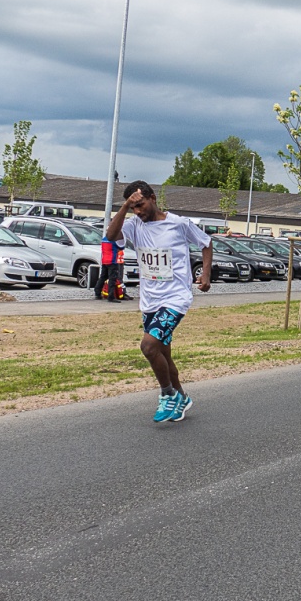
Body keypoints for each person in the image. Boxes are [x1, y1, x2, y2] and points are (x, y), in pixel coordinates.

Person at [106, 181, 212, 423]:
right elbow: (111, 236)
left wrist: (206, 274)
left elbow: (206, 243)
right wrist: (125, 207)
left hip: (176, 297)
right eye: (134, 208)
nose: (138, 212)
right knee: (163, 354)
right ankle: (182, 397)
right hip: (150, 300)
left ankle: (167, 395)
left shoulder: (178, 223)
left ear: (152, 198)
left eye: (140, 205)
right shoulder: (134, 225)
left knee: (148, 346)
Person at [94, 235, 128, 302]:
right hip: (112, 261)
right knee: (112, 279)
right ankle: (111, 296)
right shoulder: (114, 240)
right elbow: (121, 247)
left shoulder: (104, 239)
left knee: (102, 277)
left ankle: (97, 293)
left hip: (104, 260)